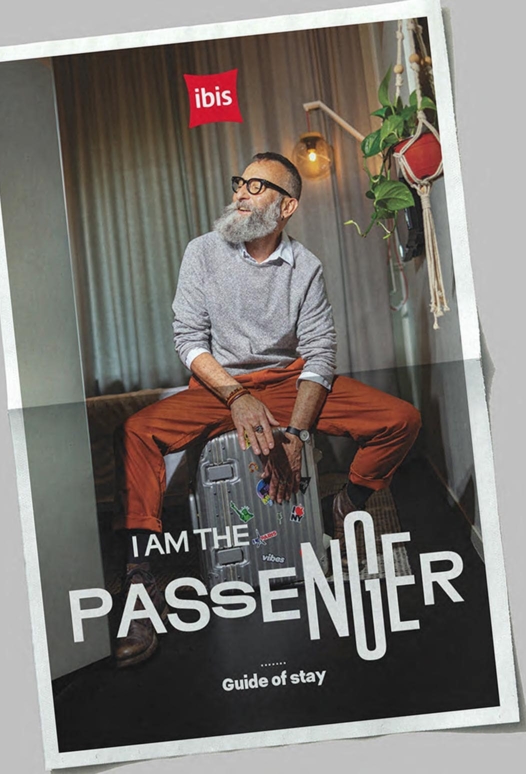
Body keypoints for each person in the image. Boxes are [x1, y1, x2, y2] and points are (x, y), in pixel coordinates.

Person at [113, 151, 421, 667]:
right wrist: (235, 396)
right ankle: (140, 576)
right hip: (216, 387)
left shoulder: (306, 266)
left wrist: (297, 435)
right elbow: (188, 339)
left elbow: (320, 349)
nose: (239, 194)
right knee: (136, 432)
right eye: (240, 183)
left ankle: (349, 503)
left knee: (400, 419)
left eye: (256, 187)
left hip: (285, 381)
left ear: (286, 206)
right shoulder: (202, 252)